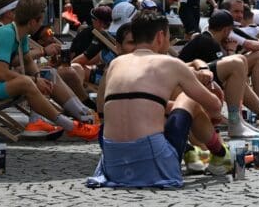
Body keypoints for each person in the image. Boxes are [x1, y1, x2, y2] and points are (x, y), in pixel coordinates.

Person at [87, 10, 231, 189]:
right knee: (189, 100)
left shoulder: (116, 64)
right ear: (161, 36)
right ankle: (220, 155)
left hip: (113, 161)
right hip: (153, 163)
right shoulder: (170, 64)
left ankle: (195, 152)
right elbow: (215, 106)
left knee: (162, 108)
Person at [0, 0, 99, 140]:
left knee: (47, 74)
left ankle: (85, 116)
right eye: (41, 20)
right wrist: (34, 79)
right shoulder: (6, 33)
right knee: (27, 81)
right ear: (32, 22)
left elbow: (27, 61)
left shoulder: (20, 33)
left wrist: (39, 77)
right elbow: (2, 73)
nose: (42, 25)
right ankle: (71, 126)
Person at [178, 9, 259, 136]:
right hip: (188, 83)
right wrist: (231, 51)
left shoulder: (206, 39)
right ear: (226, 30)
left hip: (192, 78)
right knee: (237, 63)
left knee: (240, 62)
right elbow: (225, 79)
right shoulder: (209, 42)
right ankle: (247, 118)